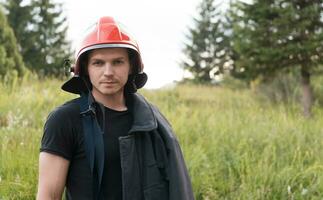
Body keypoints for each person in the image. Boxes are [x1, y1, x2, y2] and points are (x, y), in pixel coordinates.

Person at [36, 16, 194, 200]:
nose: (108, 72)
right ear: (85, 68)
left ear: (131, 67)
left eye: (118, 62)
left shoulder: (150, 121)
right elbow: (48, 195)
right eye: (98, 63)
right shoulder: (65, 120)